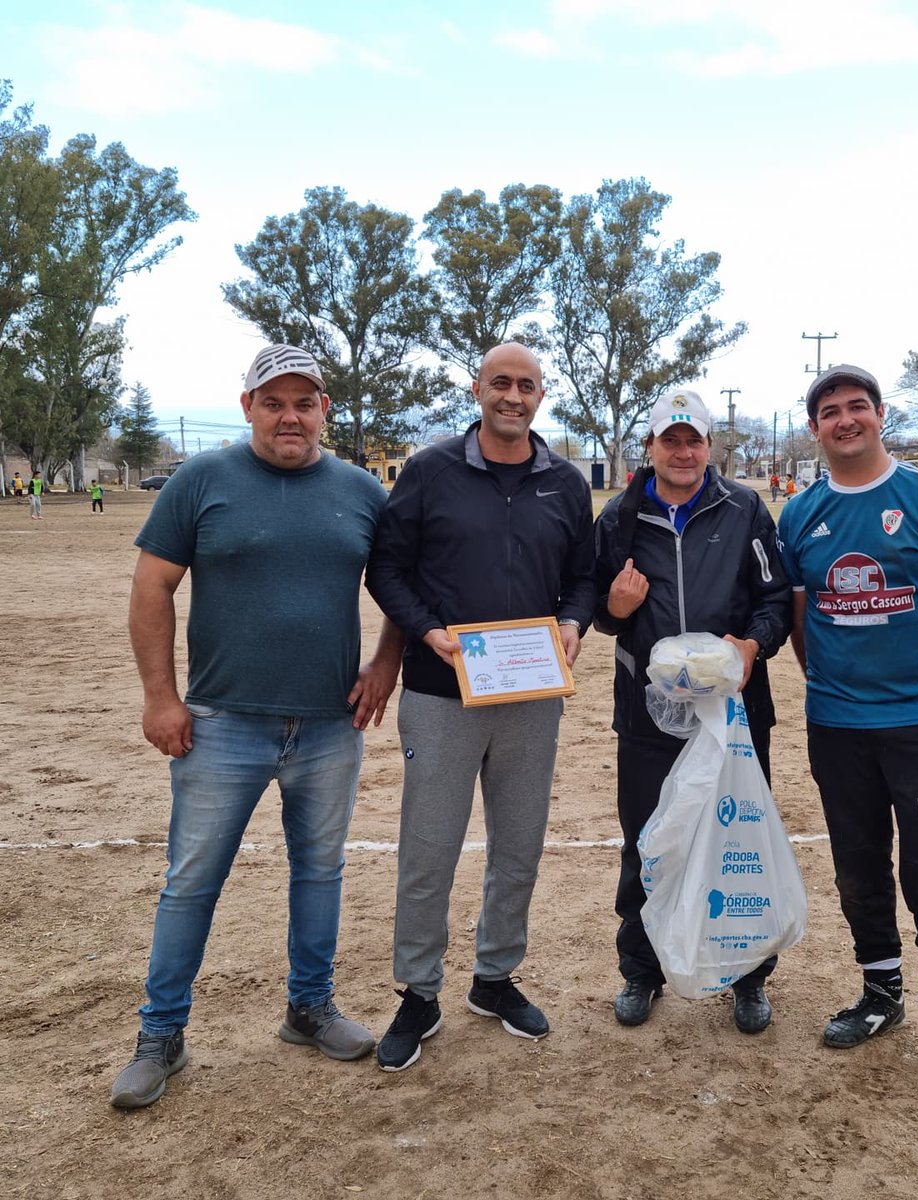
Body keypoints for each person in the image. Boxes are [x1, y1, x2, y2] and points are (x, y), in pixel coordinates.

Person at [111, 344, 403, 1111]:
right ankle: (161, 1035)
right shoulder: (201, 480)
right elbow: (152, 586)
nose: (290, 416)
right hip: (221, 726)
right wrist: (160, 697)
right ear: (247, 408)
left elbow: (401, 590)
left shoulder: (361, 491)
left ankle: (309, 1009)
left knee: (320, 873)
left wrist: (384, 665)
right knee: (191, 884)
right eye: (273, 402)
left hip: (329, 726)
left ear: (325, 411)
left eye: (305, 402)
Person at [365, 341, 595, 1072]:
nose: (513, 396)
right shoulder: (430, 470)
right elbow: (387, 569)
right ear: (476, 389)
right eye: (501, 382)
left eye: (527, 385)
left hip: (531, 696)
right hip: (441, 694)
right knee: (429, 848)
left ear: (540, 396)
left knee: (519, 846)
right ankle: (419, 992)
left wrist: (571, 623)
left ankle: (494, 979)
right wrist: (428, 632)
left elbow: (582, 578)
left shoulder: (564, 480)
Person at [777, 364, 918, 1088]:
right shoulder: (800, 515)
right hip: (837, 726)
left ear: (879, 416)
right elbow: (801, 621)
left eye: (857, 407)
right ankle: (881, 995)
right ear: (814, 429)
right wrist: (828, 685)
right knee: (857, 868)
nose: (845, 420)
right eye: (830, 412)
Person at [593, 387, 792, 1034]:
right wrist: (617, 609)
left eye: (694, 440)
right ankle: (640, 970)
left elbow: (775, 600)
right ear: (648, 447)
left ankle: (749, 975)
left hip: (733, 713)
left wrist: (751, 647)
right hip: (648, 713)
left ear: (710, 447)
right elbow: (594, 607)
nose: (682, 451)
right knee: (646, 841)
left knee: (741, 843)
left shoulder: (744, 509)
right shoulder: (620, 518)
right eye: (669, 439)